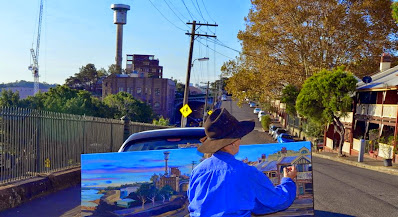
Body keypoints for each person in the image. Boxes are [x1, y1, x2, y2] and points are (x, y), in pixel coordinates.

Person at [187, 108, 297, 217]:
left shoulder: (197, 171)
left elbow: (194, 201)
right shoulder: (247, 172)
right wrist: (288, 180)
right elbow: (275, 201)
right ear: (233, 143)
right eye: (239, 137)